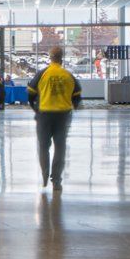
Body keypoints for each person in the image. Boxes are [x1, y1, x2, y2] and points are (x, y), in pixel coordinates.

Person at [28, 45, 80, 190]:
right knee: (60, 147)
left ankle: (45, 174)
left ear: (50, 58)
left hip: (44, 115)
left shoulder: (42, 74)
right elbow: (77, 96)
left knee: (44, 147)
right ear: (61, 58)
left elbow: (30, 94)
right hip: (62, 116)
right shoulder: (68, 75)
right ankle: (56, 179)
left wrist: (35, 109)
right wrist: (72, 106)